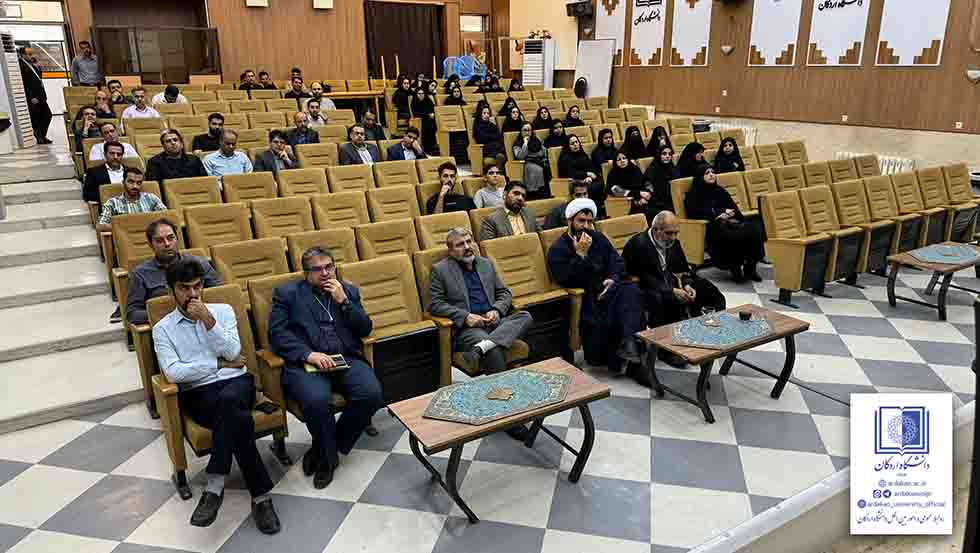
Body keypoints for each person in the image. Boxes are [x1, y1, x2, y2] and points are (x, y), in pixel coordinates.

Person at [153, 258, 281, 533]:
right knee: (238, 419)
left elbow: (235, 352)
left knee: (231, 401)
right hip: (199, 393)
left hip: (237, 383)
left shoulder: (222, 312)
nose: (193, 294)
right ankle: (261, 497)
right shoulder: (162, 329)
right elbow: (174, 373)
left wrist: (208, 320)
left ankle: (214, 486)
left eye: (197, 286)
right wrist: (218, 364)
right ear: (171, 290)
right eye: (184, 288)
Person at [269, 246, 385, 489]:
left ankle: (324, 448)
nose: (325, 273)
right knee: (317, 400)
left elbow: (365, 328)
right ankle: (328, 462)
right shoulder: (287, 294)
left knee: (371, 394)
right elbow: (277, 334)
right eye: (317, 269)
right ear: (306, 273)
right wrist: (308, 354)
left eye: (329, 267)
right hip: (306, 363)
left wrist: (345, 303)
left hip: (345, 358)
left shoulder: (347, 290)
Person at [428, 228, 534, 442]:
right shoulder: (440, 270)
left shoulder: (485, 264)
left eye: (469, 241)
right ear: (450, 250)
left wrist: (497, 309)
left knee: (525, 316)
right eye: (460, 244)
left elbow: (504, 293)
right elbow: (435, 304)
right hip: (468, 329)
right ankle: (510, 419)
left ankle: (483, 347)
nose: (467, 247)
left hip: (494, 323)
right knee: (493, 351)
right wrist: (465, 316)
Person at [547, 198, 645, 373]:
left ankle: (629, 343)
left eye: (589, 221)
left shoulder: (598, 238)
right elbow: (565, 279)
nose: (586, 226)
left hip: (610, 288)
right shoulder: (558, 248)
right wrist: (581, 255)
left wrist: (613, 278)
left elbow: (617, 261)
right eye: (581, 221)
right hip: (588, 296)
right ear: (569, 221)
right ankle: (628, 348)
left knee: (630, 290)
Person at [623, 211, 726, 370]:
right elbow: (643, 277)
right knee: (664, 299)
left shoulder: (673, 243)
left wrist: (687, 284)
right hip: (644, 287)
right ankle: (666, 350)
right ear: (656, 229)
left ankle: (702, 335)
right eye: (669, 233)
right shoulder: (639, 245)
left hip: (669, 281)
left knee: (707, 290)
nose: (673, 237)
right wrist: (671, 291)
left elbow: (683, 268)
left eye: (676, 233)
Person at [128, 218, 221, 326]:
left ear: (177, 239)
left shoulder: (199, 263)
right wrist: (170, 314)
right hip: (168, 326)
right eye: (160, 241)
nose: (167, 244)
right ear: (150, 244)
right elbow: (132, 314)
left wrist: (203, 310)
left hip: (203, 321)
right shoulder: (140, 274)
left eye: (170, 238)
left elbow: (220, 294)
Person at [684, 165, 765, 282]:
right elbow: (693, 213)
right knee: (732, 237)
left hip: (730, 223)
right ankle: (735, 268)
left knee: (754, 231)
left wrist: (731, 214)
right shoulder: (693, 194)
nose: (711, 175)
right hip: (712, 227)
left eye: (713, 172)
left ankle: (750, 268)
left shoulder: (720, 190)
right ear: (700, 177)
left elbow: (734, 207)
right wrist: (718, 214)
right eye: (707, 173)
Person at [96, 167, 165, 230]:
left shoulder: (151, 198)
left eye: (139, 183)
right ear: (123, 182)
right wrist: (127, 227)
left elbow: (166, 216)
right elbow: (100, 225)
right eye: (131, 182)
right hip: (126, 238)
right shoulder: (112, 203)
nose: (135, 186)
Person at [606, 151, 655, 221]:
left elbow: (645, 182)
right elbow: (617, 191)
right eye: (619, 159)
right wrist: (639, 196)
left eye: (624, 158)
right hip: (628, 203)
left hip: (645, 199)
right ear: (615, 162)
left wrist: (647, 194)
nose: (622, 161)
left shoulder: (635, 168)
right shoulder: (612, 174)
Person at [18, 46, 51, 144]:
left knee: (46, 115)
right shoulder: (21, 65)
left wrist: (37, 66)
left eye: (32, 54)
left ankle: (42, 136)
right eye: (29, 54)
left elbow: (38, 77)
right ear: (22, 55)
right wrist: (32, 97)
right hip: (34, 97)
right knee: (41, 116)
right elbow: (25, 83)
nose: (31, 56)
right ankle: (39, 136)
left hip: (40, 95)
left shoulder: (31, 64)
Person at [513, 122, 549, 199]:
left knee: (547, 168)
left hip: (539, 161)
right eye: (525, 130)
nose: (527, 132)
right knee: (536, 169)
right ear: (521, 131)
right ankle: (534, 193)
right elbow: (520, 156)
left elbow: (543, 152)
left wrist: (538, 156)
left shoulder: (536, 140)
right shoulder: (518, 143)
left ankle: (545, 193)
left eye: (529, 130)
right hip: (527, 163)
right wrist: (525, 144)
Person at [643, 145, 679, 214]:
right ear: (659, 155)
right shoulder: (652, 170)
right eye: (664, 154)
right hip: (658, 202)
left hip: (674, 200)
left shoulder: (673, 168)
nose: (667, 156)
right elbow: (649, 190)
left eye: (670, 154)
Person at [472, 105, 506, 170]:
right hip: (485, 148)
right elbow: (481, 138)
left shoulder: (492, 125)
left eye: (488, 113)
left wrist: (489, 136)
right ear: (480, 114)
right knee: (500, 156)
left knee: (504, 151)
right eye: (484, 113)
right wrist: (492, 136)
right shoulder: (477, 125)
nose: (486, 115)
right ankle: (498, 171)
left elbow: (499, 137)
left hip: (496, 146)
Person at [411, 88, 437, 154]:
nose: (421, 95)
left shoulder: (428, 100)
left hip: (430, 119)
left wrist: (433, 114)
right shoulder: (414, 102)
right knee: (428, 125)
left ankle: (433, 146)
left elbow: (433, 109)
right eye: (419, 94)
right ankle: (428, 148)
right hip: (420, 120)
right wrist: (428, 115)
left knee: (434, 123)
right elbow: (416, 113)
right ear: (416, 95)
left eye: (422, 93)